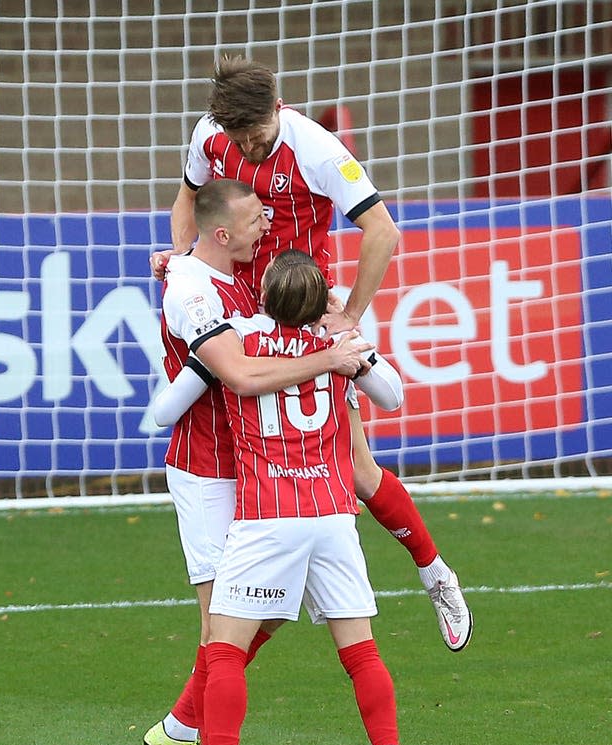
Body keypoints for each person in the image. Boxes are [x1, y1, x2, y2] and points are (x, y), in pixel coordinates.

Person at [149, 54, 473, 657]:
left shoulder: (316, 149)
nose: (244, 147)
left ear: (277, 110)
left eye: (255, 136)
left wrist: (347, 318)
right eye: (235, 137)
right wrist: (185, 262)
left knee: (354, 469)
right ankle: (201, 693)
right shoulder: (208, 133)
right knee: (228, 433)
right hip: (238, 306)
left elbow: (384, 231)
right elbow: (187, 202)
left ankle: (434, 572)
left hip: (300, 310)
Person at [145, 179, 370, 745]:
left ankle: (180, 727)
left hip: (253, 471)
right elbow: (240, 375)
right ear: (220, 233)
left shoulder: (234, 269)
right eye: (253, 215)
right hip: (208, 473)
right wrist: (331, 359)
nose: (266, 221)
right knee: (223, 628)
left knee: (265, 618)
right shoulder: (191, 290)